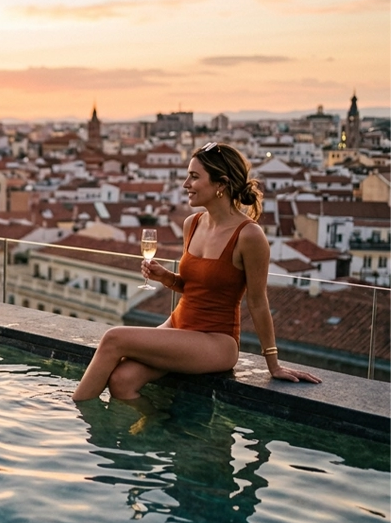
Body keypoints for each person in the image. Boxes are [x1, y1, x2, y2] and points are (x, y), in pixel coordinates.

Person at [72, 141, 320, 402]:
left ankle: (73, 413)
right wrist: (166, 278)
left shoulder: (249, 235)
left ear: (221, 184)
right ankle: (158, 425)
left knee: (113, 338)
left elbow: (258, 302)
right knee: (122, 380)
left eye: (194, 177)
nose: (185, 184)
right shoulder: (192, 224)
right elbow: (194, 286)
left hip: (216, 341)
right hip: (178, 326)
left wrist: (274, 364)